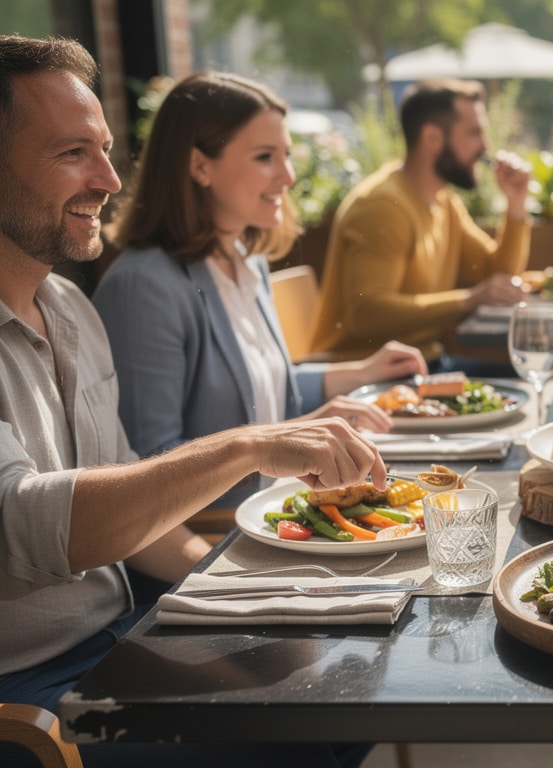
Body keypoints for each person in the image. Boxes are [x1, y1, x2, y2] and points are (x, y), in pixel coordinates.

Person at [0, 35, 381, 767]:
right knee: (296, 740)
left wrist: (237, 588)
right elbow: (32, 522)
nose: (110, 178)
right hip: (33, 703)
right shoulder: (139, 283)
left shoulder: (72, 311)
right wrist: (247, 444)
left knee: (351, 678)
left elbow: (132, 508)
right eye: (72, 152)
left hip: (124, 639)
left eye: (107, 150)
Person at [93, 72, 427, 509]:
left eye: (286, 154)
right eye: (265, 157)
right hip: (214, 543)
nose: (288, 175)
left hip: (278, 511)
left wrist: (359, 373)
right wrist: (289, 440)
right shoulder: (144, 288)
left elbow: (259, 389)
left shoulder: (246, 260)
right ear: (199, 166)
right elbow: (146, 473)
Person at [309, 77, 531, 375]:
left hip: (423, 366)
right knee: (530, 383)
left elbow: (498, 276)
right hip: (370, 378)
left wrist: (516, 205)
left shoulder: (444, 202)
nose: (485, 147)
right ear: (433, 138)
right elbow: (367, 314)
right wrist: (468, 301)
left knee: (530, 377)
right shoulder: (382, 206)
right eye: (475, 133)